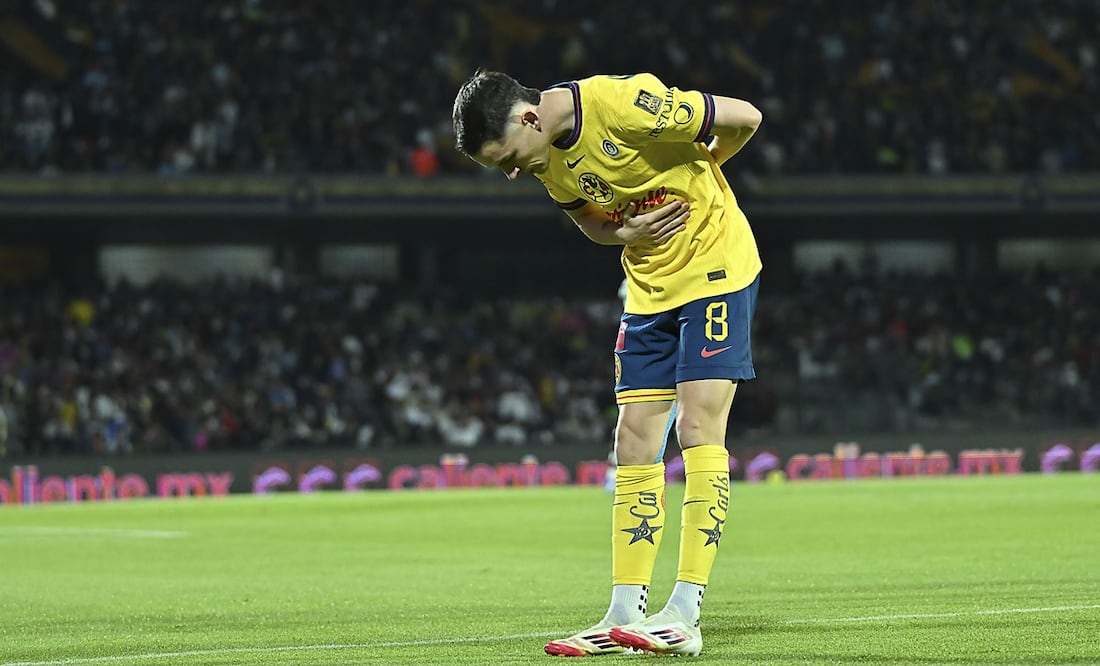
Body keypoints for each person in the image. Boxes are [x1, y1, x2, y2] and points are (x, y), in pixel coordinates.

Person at [452, 70, 762, 657]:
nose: (513, 172)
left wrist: (709, 170)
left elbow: (746, 116)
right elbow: (590, 224)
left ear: (529, 119)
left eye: (508, 159)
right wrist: (626, 229)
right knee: (634, 437)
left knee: (698, 426)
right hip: (649, 287)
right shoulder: (547, 161)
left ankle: (685, 609)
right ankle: (624, 609)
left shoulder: (624, 105)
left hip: (716, 267)